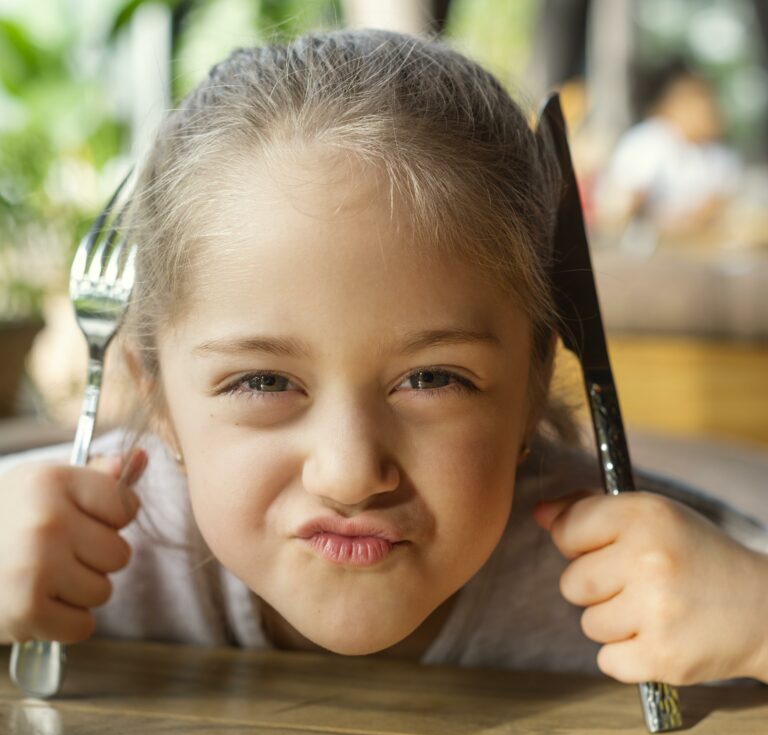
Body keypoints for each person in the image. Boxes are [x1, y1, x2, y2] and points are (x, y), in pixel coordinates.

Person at [1, 30, 766, 687]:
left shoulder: (657, 569)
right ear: (157, 398)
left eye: (432, 378)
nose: (349, 472)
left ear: (533, 386)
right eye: (263, 380)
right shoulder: (67, 543)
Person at [596, 62, 742, 243]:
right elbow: (621, 209)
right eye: (700, 101)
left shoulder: (719, 155)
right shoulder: (648, 141)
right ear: (673, 106)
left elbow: (720, 209)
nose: (711, 110)